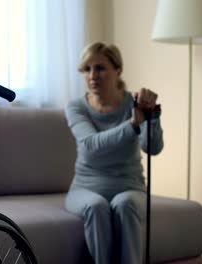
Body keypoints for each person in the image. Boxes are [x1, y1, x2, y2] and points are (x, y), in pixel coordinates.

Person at [64, 42, 164, 264]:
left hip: (130, 187)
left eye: (100, 68)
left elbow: (152, 148)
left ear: (118, 70)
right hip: (85, 189)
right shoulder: (76, 107)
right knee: (95, 206)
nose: (92, 76)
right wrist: (133, 125)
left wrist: (152, 114)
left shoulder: (134, 103)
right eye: (87, 69)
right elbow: (91, 146)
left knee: (125, 203)